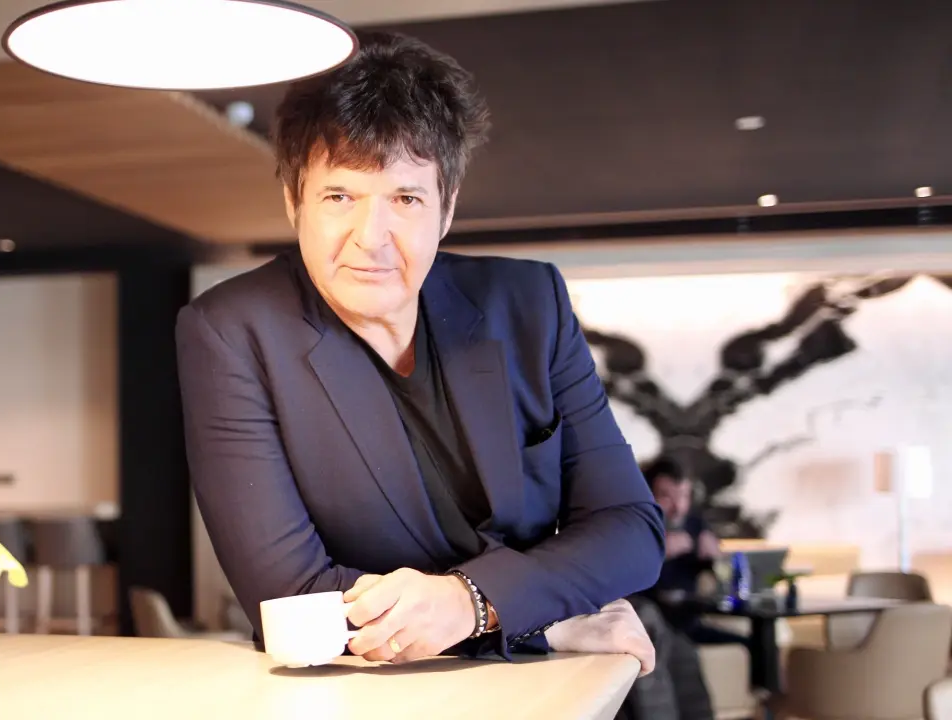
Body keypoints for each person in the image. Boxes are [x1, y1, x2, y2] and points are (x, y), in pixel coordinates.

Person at [175, 31, 665, 668]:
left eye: (405, 198)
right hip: (364, 695)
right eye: (339, 197)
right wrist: (531, 622)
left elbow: (630, 528)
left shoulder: (528, 303)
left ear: (446, 207)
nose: (371, 238)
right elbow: (289, 596)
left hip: (549, 692)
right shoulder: (232, 331)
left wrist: (473, 602)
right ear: (294, 201)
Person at [642, 457, 745, 645]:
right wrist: (656, 554)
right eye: (666, 497)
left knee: (753, 644)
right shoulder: (637, 528)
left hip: (689, 622)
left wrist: (717, 557)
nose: (677, 507)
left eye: (683, 496)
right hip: (653, 622)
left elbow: (723, 576)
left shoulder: (694, 524)